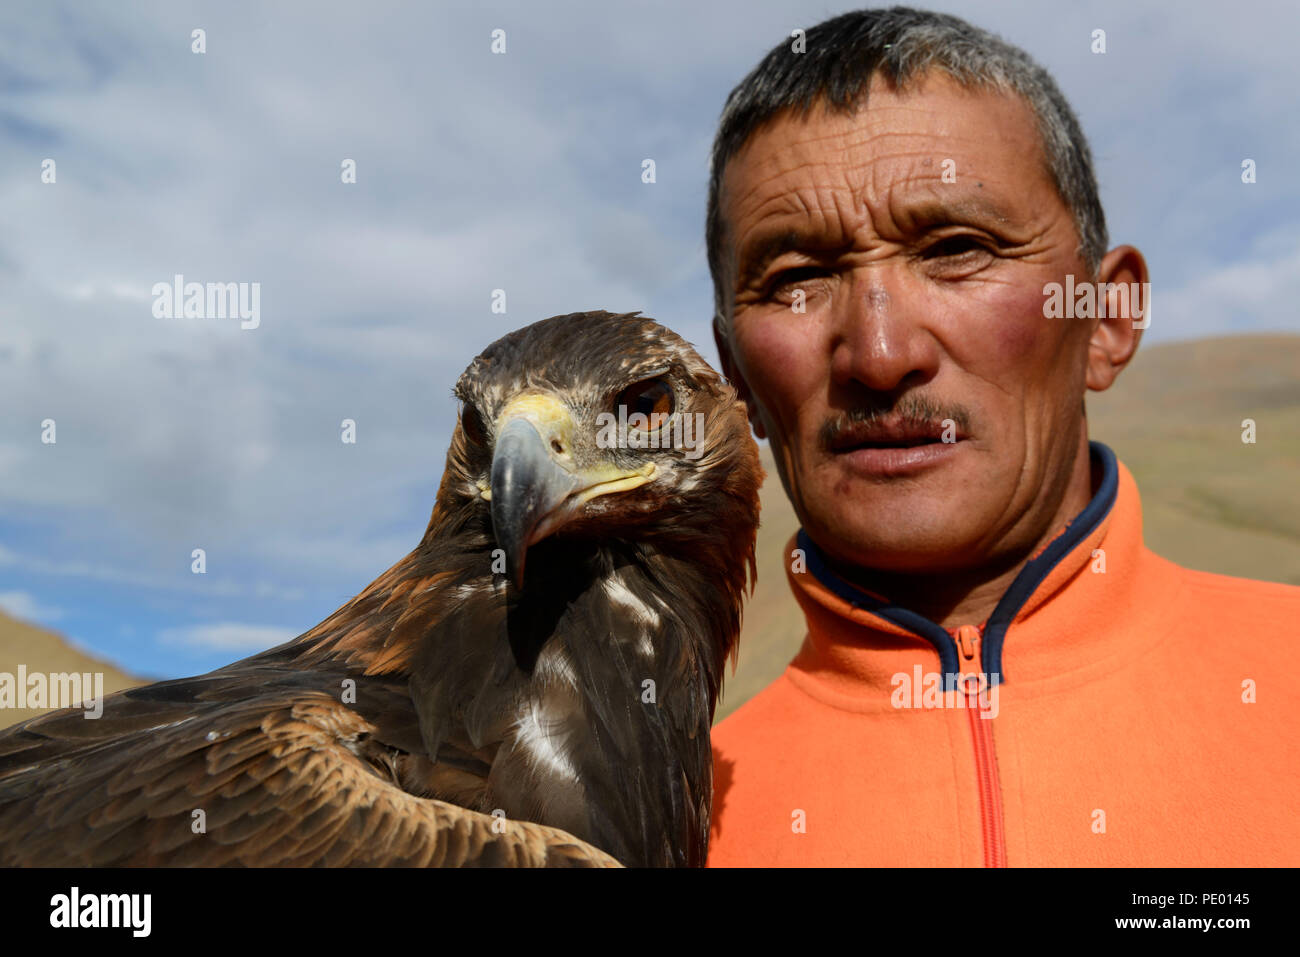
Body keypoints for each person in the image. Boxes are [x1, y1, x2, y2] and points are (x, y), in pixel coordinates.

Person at [704, 6, 1300, 866]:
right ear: (736, 378)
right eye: (798, 279)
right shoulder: (666, 821)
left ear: (1103, 318)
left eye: (955, 248)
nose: (879, 355)